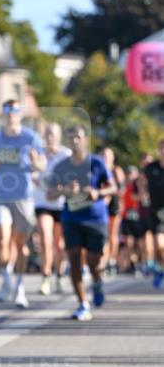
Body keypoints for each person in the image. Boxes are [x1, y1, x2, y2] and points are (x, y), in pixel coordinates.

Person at [48, 124, 115, 321]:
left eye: (78, 137)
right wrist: (64, 189)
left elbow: (113, 188)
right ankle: (83, 304)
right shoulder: (61, 166)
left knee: (94, 262)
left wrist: (98, 192)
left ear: (85, 139)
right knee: (74, 258)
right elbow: (50, 193)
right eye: (70, 138)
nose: (74, 141)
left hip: (95, 218)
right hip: (71, 218)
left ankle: (97, 281)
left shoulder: (96, 163)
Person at [0, 100, 45, 309]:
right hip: (1, 195)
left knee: (21, 246)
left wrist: (36, 163)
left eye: (15, 110)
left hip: (23, 196)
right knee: (2, 240)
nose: (11, 114)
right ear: (4, 114)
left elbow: (42, 163)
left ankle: (19, 287)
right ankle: (6, 281)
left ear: (21, 114)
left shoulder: (30, 137)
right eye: (8, 111)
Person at [32, 122, 71, 295]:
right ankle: (46, 277)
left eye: (52, 134)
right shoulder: (38, 154)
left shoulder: (66, 154)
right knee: (45, 240)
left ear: (59, 136)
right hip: (42, 203)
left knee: (60, 245)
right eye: (47, 134)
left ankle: (60, 276)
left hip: (61, 204)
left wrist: (58, 188)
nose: (49, 137)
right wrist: (37, 177)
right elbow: (32, 175)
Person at [100, 146, 125, 277]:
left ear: (112, 157)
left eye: (108, 155)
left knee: (112, 234)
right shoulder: (98, 169)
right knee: (102, 235)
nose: (105, 157)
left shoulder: (116, 170)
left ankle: (112, 260)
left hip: (113, 205)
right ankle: (103, 260)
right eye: (103, 155)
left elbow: (121, 189)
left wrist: (109, 195)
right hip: (101, 205)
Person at [143, 138, 164, 289]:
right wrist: (143, 193)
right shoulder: (151, 167)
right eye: (162, 148)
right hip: (155, 211)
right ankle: (161, 269)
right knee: (159, 244)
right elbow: (142, 182)